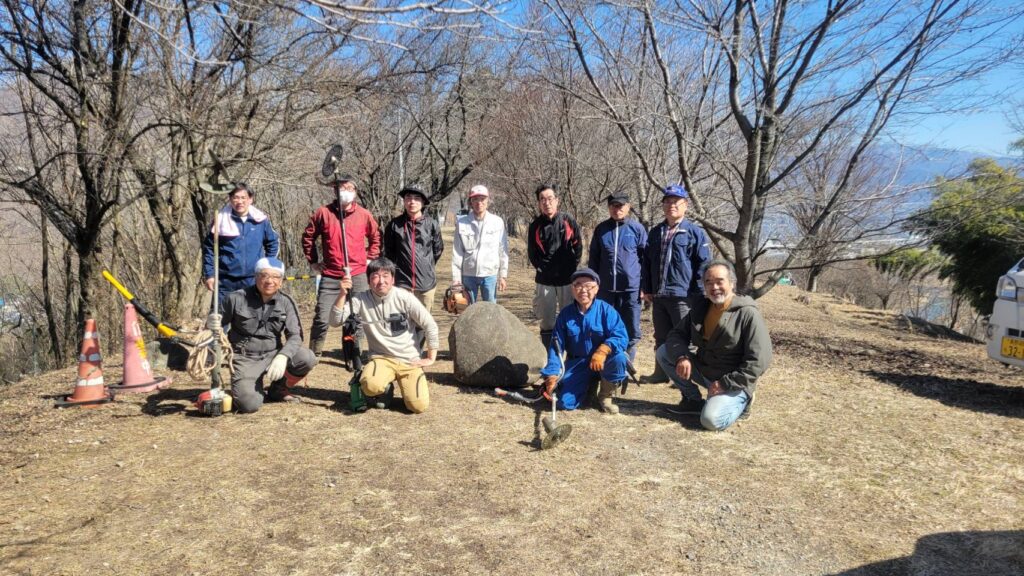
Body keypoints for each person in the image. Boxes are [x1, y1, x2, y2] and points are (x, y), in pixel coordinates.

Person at [655, 260, 772, 430]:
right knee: (664, 352)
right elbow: (676, 335)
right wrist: (682, 356)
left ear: (732, 283)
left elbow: (759, 360)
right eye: (708, 282)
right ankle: (693, 401)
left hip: (733, 381)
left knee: (711, 421)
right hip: (705, 370)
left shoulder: (748, 313)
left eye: (719, 281)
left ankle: (744, 401)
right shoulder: (701, 307)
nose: (714, 287)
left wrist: (726, 384)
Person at [329, 258, 439, 413]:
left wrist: (430, 357)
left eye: (386, 276)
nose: (381, 281)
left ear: (393, 279)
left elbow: (430, 325)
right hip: (381, 358)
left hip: (410, 361)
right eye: (375, 276)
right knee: (370, 385)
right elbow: (335, 321)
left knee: (418, 406)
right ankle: (384, 390)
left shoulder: (405, 297)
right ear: (368, 281)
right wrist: (342, 293)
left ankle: (409, 388)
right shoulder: (360, 299)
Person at [218, 257, 317, 414]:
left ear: (281, 281)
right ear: (256, 276)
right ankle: (250, 388)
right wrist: (212, 327)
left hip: (273, 355)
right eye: (264, 275)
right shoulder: (236, 298)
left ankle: (278, 389)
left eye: (276, 277)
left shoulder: (286, 302)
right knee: (248, 405)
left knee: (307, 357)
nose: (270, 281)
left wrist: (283, 356)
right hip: (245, 358)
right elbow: (216, 327)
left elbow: (295, 335)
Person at [302, 174, 381, 356]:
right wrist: (313, 261)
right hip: (331, 274)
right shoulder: (323, 213)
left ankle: (354, 353)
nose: (345, 192)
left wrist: (370, 257)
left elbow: (376, 236)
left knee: (357, 317)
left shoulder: (364, 214)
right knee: (322, 317)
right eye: (342, 188)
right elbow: (308, 237)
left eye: (349, 188)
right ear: (335, 191)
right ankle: (314, 353)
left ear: (355, 191)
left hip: (358, 273)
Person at [639, 184, 712, 383]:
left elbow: (703, 265)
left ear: (685, 205)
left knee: (686, 338)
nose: (671, 205)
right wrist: (647, 288)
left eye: (676, 202)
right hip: (659, 295)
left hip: (683, 296)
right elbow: (647, 263)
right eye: (668, 201)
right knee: (661, 337)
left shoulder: (694, 232)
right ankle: (660, 373)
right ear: (663, 205)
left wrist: (699, 294)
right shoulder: (656, 232)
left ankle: (688, 376)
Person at [541, 268, 629, 414]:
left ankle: (605, 396)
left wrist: (603, 350)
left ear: (597, 289)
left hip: (604, 361)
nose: (583, 290)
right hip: (577, 363)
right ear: (572, 289)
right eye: (578, 285)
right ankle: (588, 386)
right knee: (563, 403)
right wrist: (551, 375)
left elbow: (621, 337)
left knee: (619, 357)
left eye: (588, 286)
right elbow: (556, 348)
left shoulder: (607, 310)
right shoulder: (565, 314)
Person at [587, 191, 648, 361]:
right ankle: (606, 362)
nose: (617, 209)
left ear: (628, 207)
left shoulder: (637, 229)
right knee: (603, 327)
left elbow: (646, 260)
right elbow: (594, 259)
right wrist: (592, 284)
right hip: (605, 289)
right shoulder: (601, 229)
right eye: (614, 205)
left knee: (631, 329)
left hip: (631, 289)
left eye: (621, 205)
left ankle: (627, 363)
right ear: (609, 208)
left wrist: (645, 286)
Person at [202, 182, 280, 309]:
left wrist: (267, 267)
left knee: (251, 317)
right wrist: (210, 275)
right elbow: (209, 249)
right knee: (221, 318)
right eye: (236, 197)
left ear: (250, 199)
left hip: (253, 280)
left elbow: (273, 243)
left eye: (243, 197)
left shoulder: (260, 220)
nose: (240, 201)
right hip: (225, 281)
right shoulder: (220, 220)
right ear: (230, 199)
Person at [527, 184, 583, 349]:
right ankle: (550, 355)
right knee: (547, 321)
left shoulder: (568, 220)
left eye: (550, 199)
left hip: (567, 280)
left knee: (570, 318)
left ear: (557, 200)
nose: (547, 203)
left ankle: (572, 355)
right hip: (545, 281)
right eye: (542, 199)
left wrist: (571, 267)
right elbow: (532, 254)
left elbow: (578, 245)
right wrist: (542, 268)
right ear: (539, 203)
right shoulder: (535, 225)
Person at [383, 185, 444, 312]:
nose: (412, 202)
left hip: (426, 284)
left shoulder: (432, 224)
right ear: (404, 201)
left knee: (423, 320)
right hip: (402, 284)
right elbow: (389, 253)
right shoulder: (394, 225)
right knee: (401, 320)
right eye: (408, 198)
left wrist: (425, 265)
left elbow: (437, 250)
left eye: (417, 198)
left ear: (423, 202)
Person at [452, 185, 509, 303]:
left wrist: (503, 275)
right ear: (470, 202)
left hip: (490, 275)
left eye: (482, 199)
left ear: (488, 201)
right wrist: (456, 279)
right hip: (468, 275)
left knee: (490, 309)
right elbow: (457, 252)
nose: (479, 203)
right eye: (475, 199)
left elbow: (503, 250)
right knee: (468, 308)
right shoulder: (462, 223)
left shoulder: (497, 222)